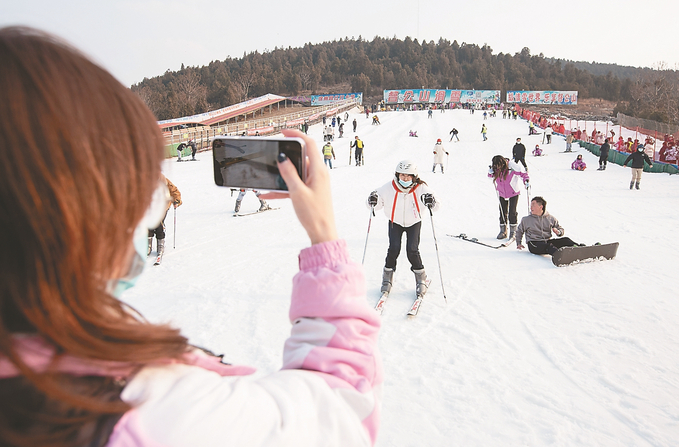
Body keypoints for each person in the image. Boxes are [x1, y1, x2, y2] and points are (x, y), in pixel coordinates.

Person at [0, 27, 381, 447]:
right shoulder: (154, 412)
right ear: (76, 216)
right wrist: (323, 234)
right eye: (138, 196)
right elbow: (339, 414)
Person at [367, 160, 440, 296]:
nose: (405, 178)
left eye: (408, 175)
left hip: (414, 222)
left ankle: (420, 278)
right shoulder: (389, 187)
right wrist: (372, 200)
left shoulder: (421, 188)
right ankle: (387, 278)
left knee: (412, 250)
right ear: (397, 175)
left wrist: (431, 201)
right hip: (395, 222)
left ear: (414, 176)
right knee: (393, 249)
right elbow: (376, 203)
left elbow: (436, 205)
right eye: (402, 175)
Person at [516, 196, 582, 255]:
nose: (531, 207)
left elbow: (560, 229)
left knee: (566, 240)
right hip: (534, 244)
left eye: (533, 205)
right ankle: (560, 256)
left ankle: (581, 249)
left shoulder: (550, 218)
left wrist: (558, 232)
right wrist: (519, 243)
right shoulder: (526, 219)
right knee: (548, 247)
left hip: (547, 241)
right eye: (531, 205)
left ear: (541, 207)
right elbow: (519, 231)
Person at [489, 155, 530, 239]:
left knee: (512, 212)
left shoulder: (512, 166)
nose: (497, 167)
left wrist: (526, 181)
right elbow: (490, 176)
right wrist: (490, 172)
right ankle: (503, 231)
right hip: (501, 193)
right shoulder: (495, 169)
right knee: (502, 212)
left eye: (498, 165)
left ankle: (513, 232)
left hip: (513, 192)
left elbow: (523, 173)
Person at [148, 174, 182, 257]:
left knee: (158, 224)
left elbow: (174, 191)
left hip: (163, 206)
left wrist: (177, 200)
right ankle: (148, 246)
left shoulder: (164, 181)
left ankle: (160, 246)